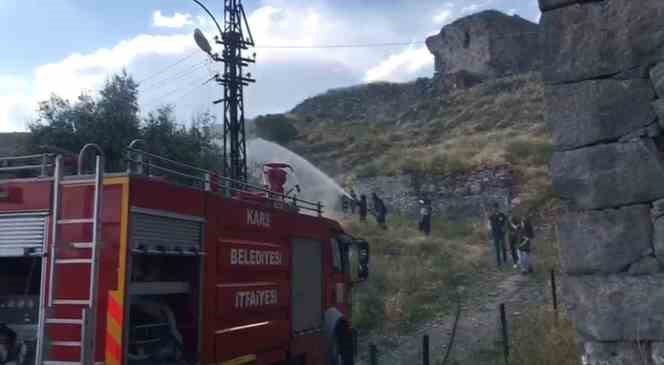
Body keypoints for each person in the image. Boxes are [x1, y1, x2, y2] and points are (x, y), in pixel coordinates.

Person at [487, 203, 508, 267]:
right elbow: (489, 224)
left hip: (502, 234)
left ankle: (505, 260)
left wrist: (504, 228)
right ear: (493, 208)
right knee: (497, 248)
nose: (495, 209)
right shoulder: (491, 216)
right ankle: (498, 262)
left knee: (503, 247)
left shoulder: (502, 215)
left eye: (496, 207)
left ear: (498, 208)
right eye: (494, 208)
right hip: (495, 234)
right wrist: (490, 230)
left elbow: (506, 222)